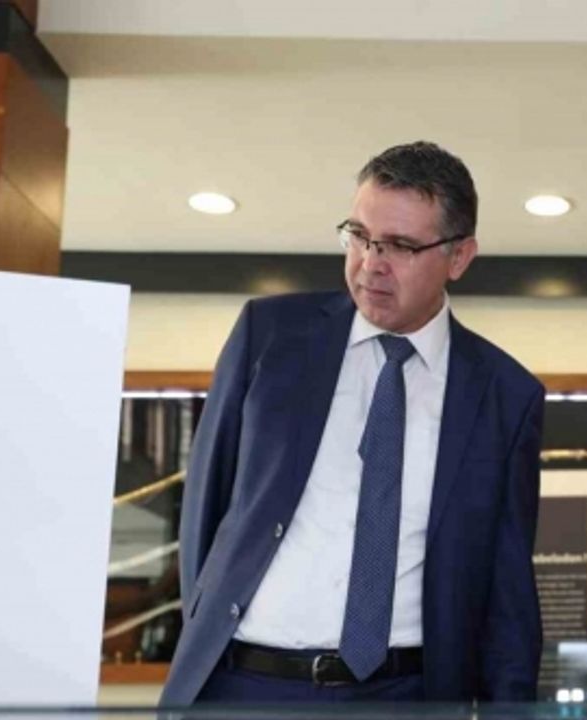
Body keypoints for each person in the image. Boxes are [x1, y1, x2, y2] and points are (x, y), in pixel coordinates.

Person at [160, 141, 545, 704]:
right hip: (243, 686)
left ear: (459, 257)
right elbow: (205, 508)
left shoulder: (505, 395)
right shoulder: (270, 336)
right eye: (360, 236)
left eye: (401, 246)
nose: (371, 263)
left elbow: (507, 593)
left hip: (402, 697)